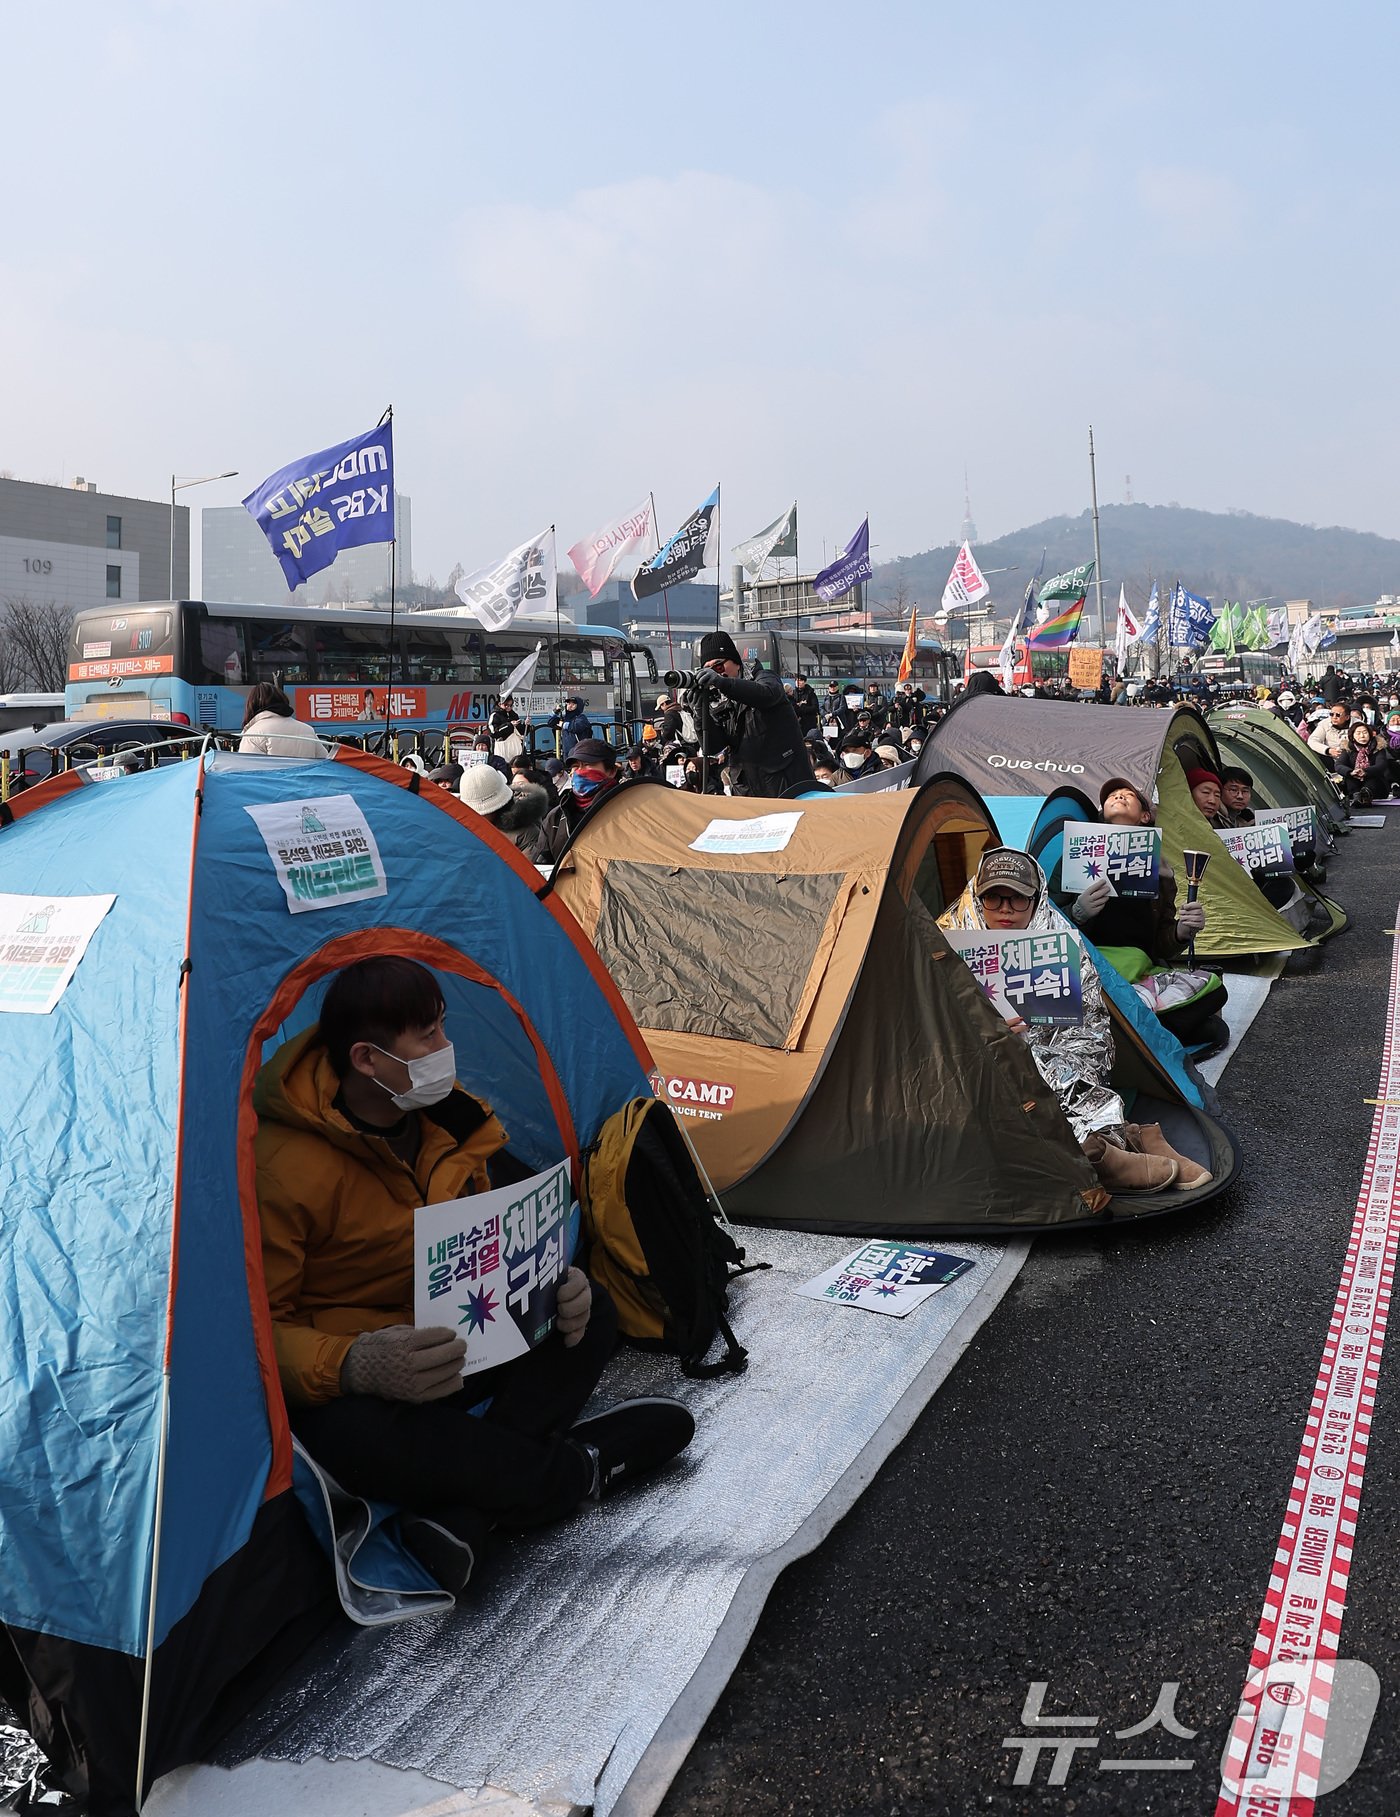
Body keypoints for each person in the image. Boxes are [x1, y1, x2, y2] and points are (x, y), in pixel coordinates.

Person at [255, 956, 694, 1591]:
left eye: (442, 1026)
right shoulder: (282, 1164)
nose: (446, 1047)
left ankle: (467, 1506)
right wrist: (353, 1363)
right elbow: (261, 1333)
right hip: (366, 1374)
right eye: (426, 1035)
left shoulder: (452, 1122)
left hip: (455, 1337)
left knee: (591, 1313)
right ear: (367, 1060)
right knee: (353, 1436)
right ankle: (574, 1472)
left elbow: (489, 1244)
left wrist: (550, 1286)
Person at [940, 848, 1211, 1194]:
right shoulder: (947, 940)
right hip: (976, 1065)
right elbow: (927, 1023)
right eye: (993, 898)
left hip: (1053, 1055)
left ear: (1036, 899)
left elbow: (1093, 1027)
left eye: (1018, 899)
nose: (1005, 909)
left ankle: (1115, 1137)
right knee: (1015, 1069)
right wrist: (983, 1033)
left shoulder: (1058, 940)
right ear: (978, 900)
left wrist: (1044, 1040)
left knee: (1060, 1069)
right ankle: (1103, 1147)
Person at [691, 631, 816, 797]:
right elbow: (712, 746)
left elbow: (766, 694)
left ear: (736, 662)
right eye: (706, 671)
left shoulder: (765, 678)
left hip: (786, 784)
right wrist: (700, 711)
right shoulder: (719, 701)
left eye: (718, 667)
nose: (714, 674)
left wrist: (723, 683)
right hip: (747, 791)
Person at [531, 738, 620, 864]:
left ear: (611, 771)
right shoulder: (555, 818)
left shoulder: (628, 809)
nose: (579, 772)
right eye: (575, 766)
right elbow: (540, 864)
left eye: (588, 765)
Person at [238, 683, 327, 757]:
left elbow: (249, 773)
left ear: (252, 706)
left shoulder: (252, 735)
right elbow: (324, 763)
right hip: (305, 778)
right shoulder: (308, 730)